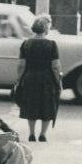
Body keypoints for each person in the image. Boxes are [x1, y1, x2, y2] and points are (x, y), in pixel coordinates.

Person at [15, 14, 62, 143]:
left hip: (30, 78)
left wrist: (19, 80)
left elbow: (21, 65)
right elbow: (55, 66)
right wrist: (58, 81)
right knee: (47, 106)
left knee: (31, 105)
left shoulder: (26, 44)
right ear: (46, 28)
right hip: (47, 79)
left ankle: (31, 133)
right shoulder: (51, 45)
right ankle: (42, 134)